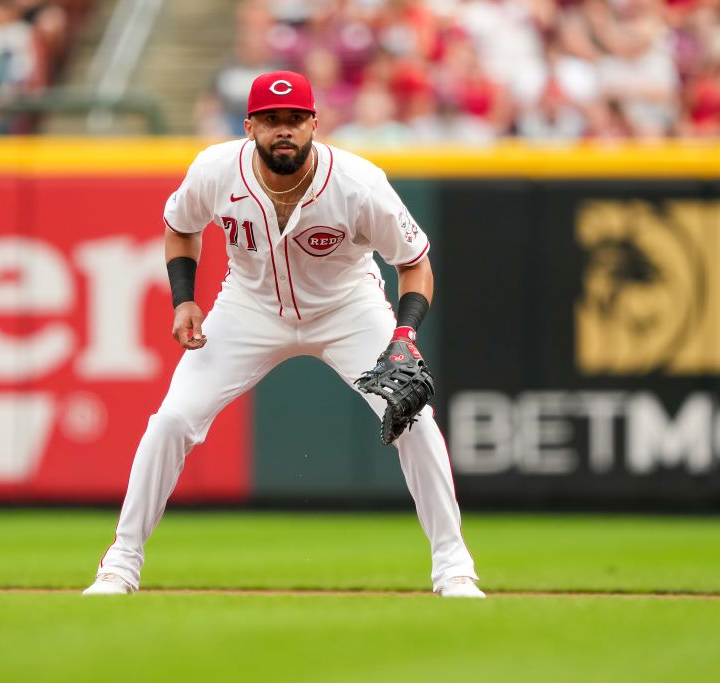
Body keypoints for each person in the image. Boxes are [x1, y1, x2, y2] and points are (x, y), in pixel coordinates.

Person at [84, 70, 483, 599]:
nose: (285, 130)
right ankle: (120, 565)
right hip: (249, 307)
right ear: (250, 125)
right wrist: (185, 299)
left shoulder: (357, 183)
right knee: (172, 420)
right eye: (272, 120)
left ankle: (454, 567)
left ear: (315, 123)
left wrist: (404, 334)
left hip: (348, 308)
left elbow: (415, 264)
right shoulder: (215, 169)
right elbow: (180, 225)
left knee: (413, 418)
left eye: (295, 119)